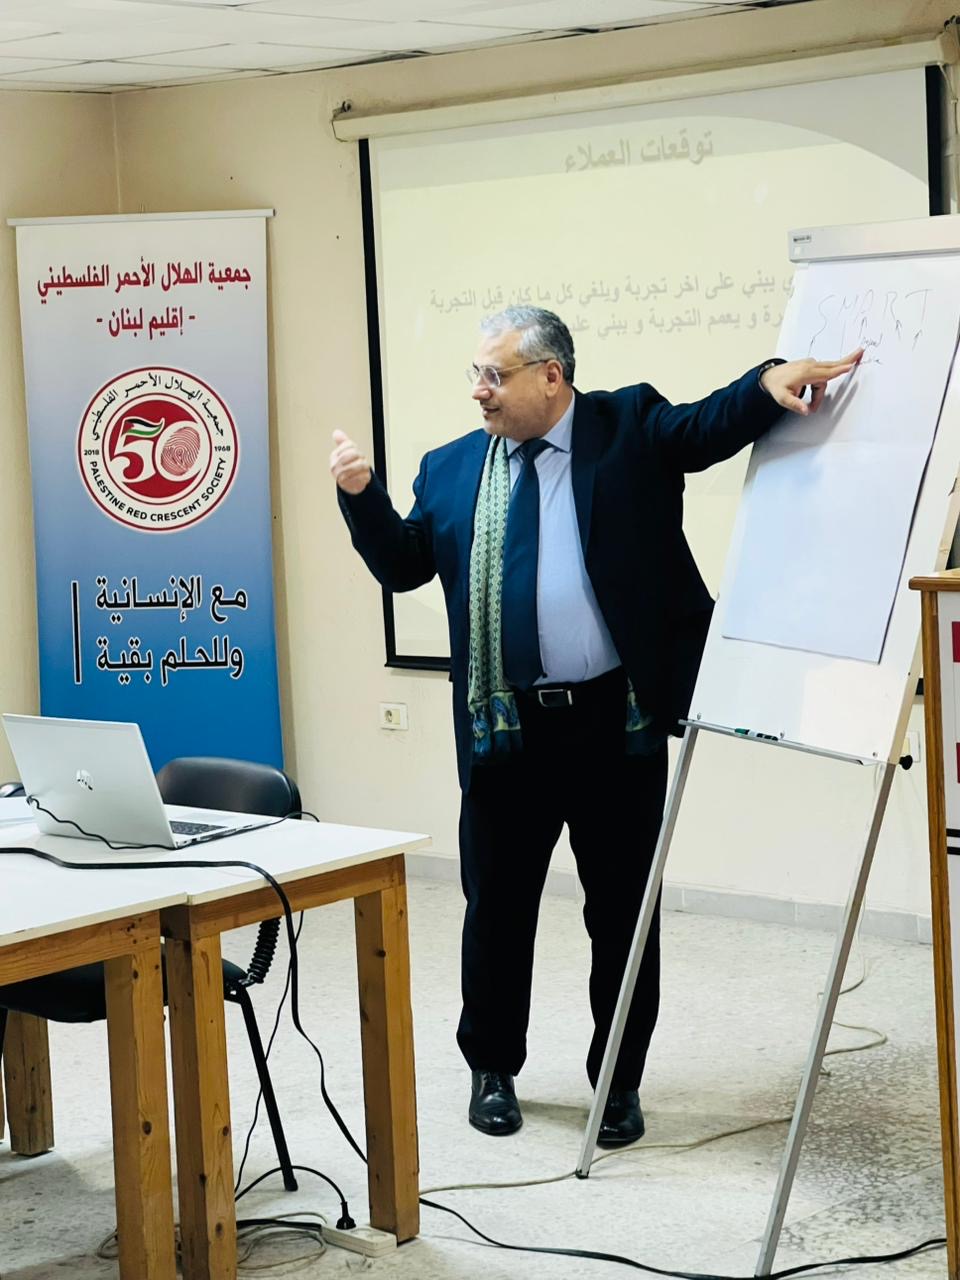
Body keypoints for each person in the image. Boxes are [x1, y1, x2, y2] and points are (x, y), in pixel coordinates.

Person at [331, 306, 860, 1147]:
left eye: (495, 374)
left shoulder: (628, 429)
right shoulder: (451, 467)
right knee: (496, 910)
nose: (479, 391)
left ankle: (617, 1080)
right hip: (506, 734)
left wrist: (769, 383)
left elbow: (707, 426)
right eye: (476, 374)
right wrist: (361, 499)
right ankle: (492, 1067)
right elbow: (403, 566)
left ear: (551, 375)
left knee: (622, 915)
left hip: (615, 727)